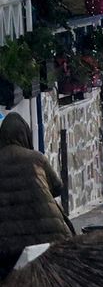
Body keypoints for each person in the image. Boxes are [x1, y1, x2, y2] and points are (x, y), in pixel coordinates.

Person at [0, 111, 72, 274]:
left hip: (5, 244)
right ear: (25, 134)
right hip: (47, 237)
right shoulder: (36, 158)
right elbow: (57, 187)